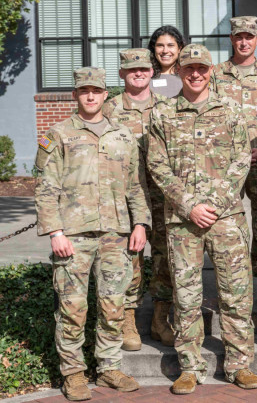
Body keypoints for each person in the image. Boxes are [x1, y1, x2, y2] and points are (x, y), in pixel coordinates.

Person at [147, 45, 257, 394]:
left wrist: (216, 203)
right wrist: (189, 205)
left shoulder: (232, 111)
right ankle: (190, 367)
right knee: (186, 297)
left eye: (202, 68)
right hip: (183, 222)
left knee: (236, 294)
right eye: (189, 68)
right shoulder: (163, 114)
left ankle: (239, 364)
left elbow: (242, 161)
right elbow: (157, 165)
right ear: (179, 71)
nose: (196, 74)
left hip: (226, 220)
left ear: (211, 71)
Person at [35, 66, 150, 401]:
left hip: (116, 233)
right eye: (84, 90)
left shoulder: (123, 135)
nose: (89, 96)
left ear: (105, 95)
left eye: (96, 91)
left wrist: (140, 224)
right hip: (73, 235)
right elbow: (45, 188)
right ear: (75, 95)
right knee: (72, 308)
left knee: (113, 304)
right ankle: (73, 373)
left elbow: (135, 186)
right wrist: (55, 231)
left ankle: (109, 366)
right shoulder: (56, 134)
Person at [210, 16, 257, 309]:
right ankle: (227, 283)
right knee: (226, 224)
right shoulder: (216, 75)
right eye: (239, 36)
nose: (244, 41)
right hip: (226, 165)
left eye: (249, 37)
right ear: (232, 39)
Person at [102, 49, 174, 351]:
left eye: (144, 69)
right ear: (122, 74)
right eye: (132, 70)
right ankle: (128, 321)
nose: (139, 74)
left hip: (162, 195)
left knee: (164, 258)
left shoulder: (167, 107)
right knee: (129, 258)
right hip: (125, 196)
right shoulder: (109, 109)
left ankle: (160, 320)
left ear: (152, 72)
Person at [149, 25, 185, 98]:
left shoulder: (188, 75)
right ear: (154, 48)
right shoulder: (145, 75)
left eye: (170, 45)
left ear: (179, 48)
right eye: (160, 45)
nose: (165, 51)